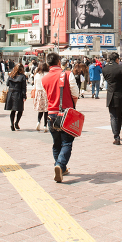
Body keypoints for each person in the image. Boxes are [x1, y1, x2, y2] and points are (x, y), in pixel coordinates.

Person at [44, 52, 79, 183]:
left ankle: (60, 167)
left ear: (48, 63)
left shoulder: (44, 78)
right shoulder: (68, 74)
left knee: (56, 143)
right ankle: (60, 165)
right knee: (67, 142)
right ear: (59, 62)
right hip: (66, 113)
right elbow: (75, 93)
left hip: (51, 114)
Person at [101, 52, 122, 145]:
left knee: (113, 116)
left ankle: (116, 136)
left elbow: (107, 80)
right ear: (117, 59)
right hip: (120, 94)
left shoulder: (105, 69)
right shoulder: (121, 68)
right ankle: (117, 134)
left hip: (110, 94)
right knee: (119, 116)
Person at [5, 64, 27, 131]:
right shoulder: (22, 76)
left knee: (13, 110)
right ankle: (16, 123)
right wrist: (24, 96)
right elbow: (24, 88)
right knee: (20, 110)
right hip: (18, 94)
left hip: (11, 93)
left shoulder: (11, 75)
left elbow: (7, 84)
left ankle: (12, 124)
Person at [33, 63, 49, 132]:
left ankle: (38, 122)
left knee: (40, 110)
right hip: (46, 92)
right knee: (46, 110)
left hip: (38, 92)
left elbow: (34, 85)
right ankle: (45, 125)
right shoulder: (48, 74)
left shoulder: (37, 75)